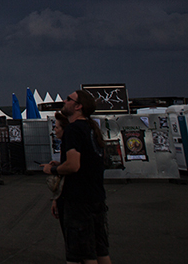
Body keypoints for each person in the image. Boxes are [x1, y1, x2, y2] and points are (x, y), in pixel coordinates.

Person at [42, 90, 110, 264]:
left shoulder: (73, 130)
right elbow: (89, 163)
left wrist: (52, 170)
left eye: (69, 99)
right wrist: (61, 165)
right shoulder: (91, 129)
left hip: (79, 201)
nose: (65, 101)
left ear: (78, 106)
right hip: (96, 197)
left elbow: (73, 166)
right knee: (100, 251)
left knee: (83, 255)